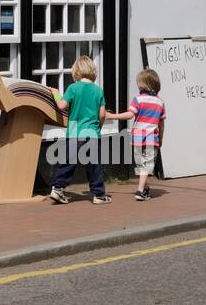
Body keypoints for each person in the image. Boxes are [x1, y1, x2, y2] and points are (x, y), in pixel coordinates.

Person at [48, 55, 130, 205]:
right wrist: (98, 127)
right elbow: (102, 114)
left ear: (76, 71)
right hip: (92, 132)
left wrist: (55, 93)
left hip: (74, 131)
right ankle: (98, 195)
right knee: (94, 165)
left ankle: (58, 188)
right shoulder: (98, 91)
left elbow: (61, 106)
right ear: (92, 70)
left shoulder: (73, 88)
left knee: (68, 161)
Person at [126, 69, 166, 201]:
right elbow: (161, 124)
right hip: (151, 138)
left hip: (137, 137)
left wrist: (112, 115)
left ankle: (141, 189)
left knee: (140, 165)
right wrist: (160, 139)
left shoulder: (137, 100)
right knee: (146, 165)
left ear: (144, 85)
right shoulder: (160, 102)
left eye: (139, 83)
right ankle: (142, 189)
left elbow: (130, 115)